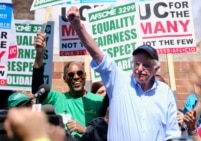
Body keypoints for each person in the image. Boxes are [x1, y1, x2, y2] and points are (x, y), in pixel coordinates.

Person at [67, 6, 180, 141]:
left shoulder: (164, 92)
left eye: (146, 65)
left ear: (156, 69)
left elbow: (172, 134)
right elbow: (97, 54)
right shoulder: (119, 81)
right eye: (136, 63)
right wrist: (77, 26)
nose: (139, 69)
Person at [33, 34, 104, 139]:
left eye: (79, 73)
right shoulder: (58, 98)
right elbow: (38, 88)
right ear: (65, 78)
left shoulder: (98, 101)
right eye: (71, 75)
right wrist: (39, 54)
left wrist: (85, 129)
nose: (76, 77)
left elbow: (105, 131)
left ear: (85, 76)